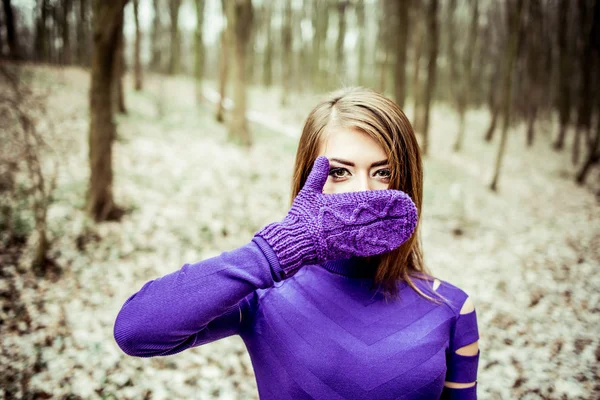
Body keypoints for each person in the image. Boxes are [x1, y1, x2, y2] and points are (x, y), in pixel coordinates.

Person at [114, 87, 480, 399]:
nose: (363, 193)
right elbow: (135, 331)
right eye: (340, 172)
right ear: (310, 179)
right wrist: (274, 252)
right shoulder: (265, 293)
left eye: (383, 172)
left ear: (407, 180)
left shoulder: (449, 307)